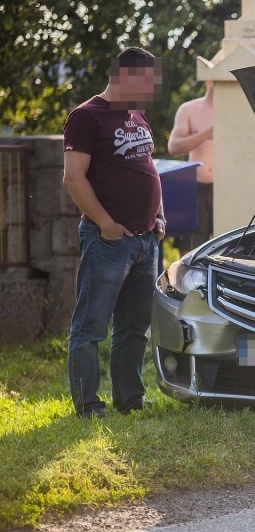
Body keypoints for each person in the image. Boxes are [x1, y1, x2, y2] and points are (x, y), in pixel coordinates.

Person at [62, 47, 165, 418]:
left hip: (146, 241)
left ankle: (129, 400)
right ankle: (88, 404)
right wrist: (106, 224)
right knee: (90, 326)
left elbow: (148, 167)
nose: (150, 90)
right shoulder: (86, 117)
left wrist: (159, 215)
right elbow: (73, 178)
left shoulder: (138, 114)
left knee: (134, 326)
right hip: (108, 241)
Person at [168, 80, 214, 256]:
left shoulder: (238, 111)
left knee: (230, 247)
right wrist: (205, 135)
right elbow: (173, 147)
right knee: (190, 250)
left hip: (226, 190)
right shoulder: (189, 109)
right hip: (196, 188)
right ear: (209, 80)